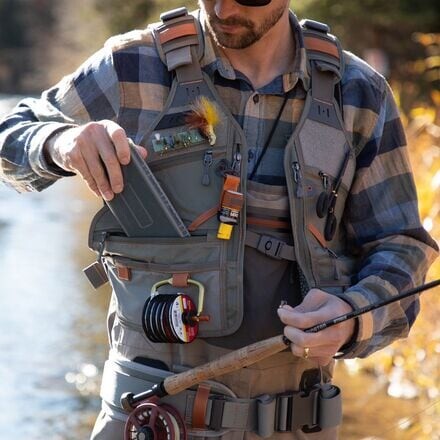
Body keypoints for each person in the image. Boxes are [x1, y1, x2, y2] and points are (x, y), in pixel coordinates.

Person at [0, 0, 438, 439]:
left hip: (299, 422)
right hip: (151, 420)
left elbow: (401, 243)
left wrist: (354, 316)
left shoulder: (360, 94)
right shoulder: (133, 65)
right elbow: (10, 133)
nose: (223, 7)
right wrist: (60, 140)